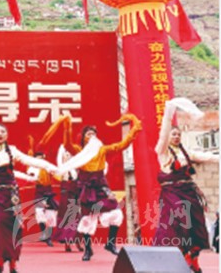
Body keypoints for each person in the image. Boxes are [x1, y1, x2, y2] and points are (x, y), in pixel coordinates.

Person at [0, 88, 59, 273]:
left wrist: (48, 166)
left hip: (11, 193)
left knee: (14, 226)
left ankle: (13, 261)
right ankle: (0, 259)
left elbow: (29, 160)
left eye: (3, 131)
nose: (0, 133)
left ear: (6, 135)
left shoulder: (12, 150)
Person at [57, 112, 141, 262]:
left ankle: (110, 243)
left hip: (101, 185)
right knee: (87, 218)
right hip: (86, 186)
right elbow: (67, 145)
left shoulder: (102, 150)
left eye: (94, 134)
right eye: (88, 134)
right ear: (83, 138)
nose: (92, 136)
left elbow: (121, 145)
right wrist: (67, 126)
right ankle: (88, 249)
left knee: (115, 212)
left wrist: (133, 132)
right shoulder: (79, 151)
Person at [152, 98, 219, 273]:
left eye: (178, 134)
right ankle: (180, 257)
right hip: (172, 194)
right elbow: (164, 132)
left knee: (196, 224)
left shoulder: (186, 152)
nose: (176, 136)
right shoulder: (162, 152)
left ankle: (194, 260)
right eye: (173, 134)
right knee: (178, 222)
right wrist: (169, 112)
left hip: (189, 192)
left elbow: (207, 157)